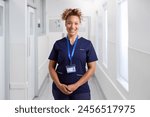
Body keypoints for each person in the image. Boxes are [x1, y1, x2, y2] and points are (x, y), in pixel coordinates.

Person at [48, 8, 98, 100]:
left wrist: (76, 85)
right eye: (69, 23)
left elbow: (92, 68)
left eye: (76, 23)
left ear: (79, 24)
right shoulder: (58, 44)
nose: (72, 26)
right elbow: (51, 67)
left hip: (81, 89)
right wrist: (59, 85)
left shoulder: (87, 44)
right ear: (65, 24)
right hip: (60, 89)